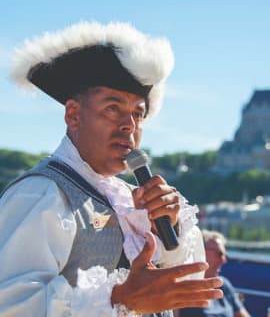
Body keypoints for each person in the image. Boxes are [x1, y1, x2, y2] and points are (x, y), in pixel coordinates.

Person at [0, 21, 224, 317]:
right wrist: (120, 298)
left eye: (137, 113)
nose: (128, 125)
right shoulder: (41, 193)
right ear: (74, 115)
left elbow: (189, 286)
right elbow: (12, 307)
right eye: (112, 108)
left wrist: (169, 230)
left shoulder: (131, 199)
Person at [178, 230, 251, 317]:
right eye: (219, 254)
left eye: (225, 255)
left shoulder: (224, 285)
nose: (224, 260)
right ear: (201, 251)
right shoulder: (183, 286)